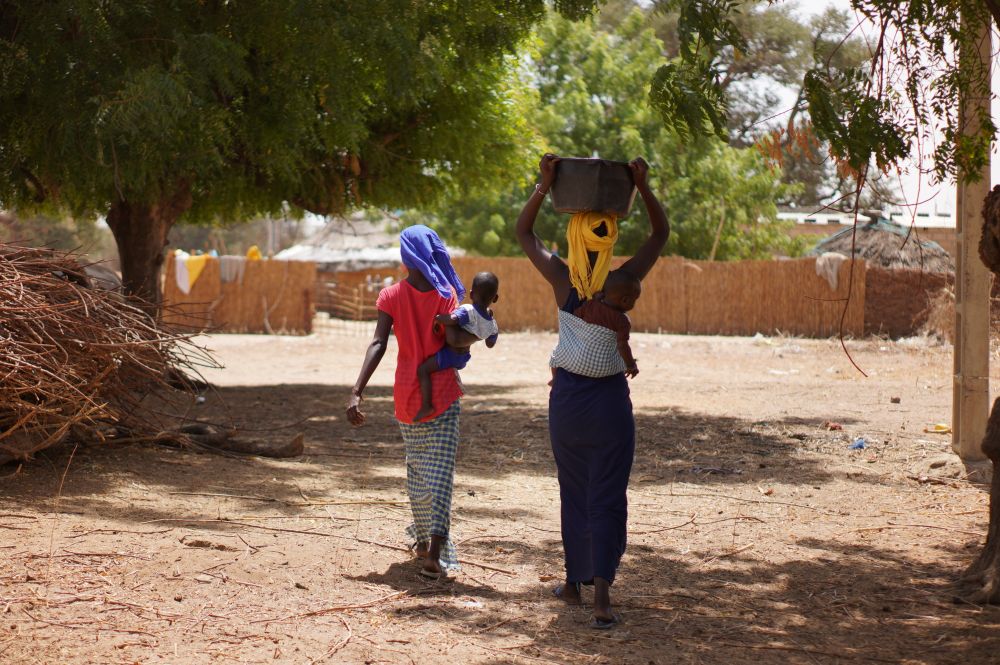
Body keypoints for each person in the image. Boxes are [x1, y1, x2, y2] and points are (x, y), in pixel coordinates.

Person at [516, 153, 668, 628]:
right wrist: (642, 186)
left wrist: (544, 184)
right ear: (609, 234)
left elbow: (525, 233)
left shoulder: (563, 280)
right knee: (607, 493)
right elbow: (660, 234)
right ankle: (601, 598)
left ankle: (572, 585)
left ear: (574, 234)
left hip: (568, 405)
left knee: (574, 490)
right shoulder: (623, 281)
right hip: (609, 406)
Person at [346, 225, 465, 580]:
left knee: (417, 471)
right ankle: (434, 552)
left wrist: (357, 390)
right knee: (440, 474)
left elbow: (378, 343)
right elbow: (455, 342)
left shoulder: (391, 295)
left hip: (406, 396)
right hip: (443, 395)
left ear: (405, 256)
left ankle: (427, 544)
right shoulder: (447, 296)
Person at [415, 271, 500, 422]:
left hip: (450, 354)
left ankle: (426, 405)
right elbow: (490, 344)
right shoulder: (492, 325)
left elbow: (453, 319)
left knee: (423, 370)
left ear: (472, 294)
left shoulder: (468, 310)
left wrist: (438, 317)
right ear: (495, 298)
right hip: (463, 357)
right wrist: (480, 330)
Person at [549, 269, 640, 386]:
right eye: (635, 300)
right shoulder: (622, 320)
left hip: (573, 361)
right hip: (602, 369)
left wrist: (594, 299)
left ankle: (555, 379)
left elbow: (575, 317)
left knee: (556, 356)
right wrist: (631, 364)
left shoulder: (591, 304)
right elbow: (622, 345)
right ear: (625, 300)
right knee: (620, 360)